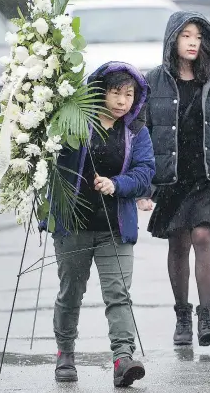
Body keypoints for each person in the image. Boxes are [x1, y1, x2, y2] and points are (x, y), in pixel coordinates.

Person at [46, 62, 155, 387]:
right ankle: (65, 353)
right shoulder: (75, 124)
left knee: (118, 294)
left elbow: (146, 171)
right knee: (71, 293)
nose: (122, 101)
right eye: (115, 93)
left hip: (116, 228)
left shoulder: (137, 132)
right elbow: (56, 160)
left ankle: (123, 359)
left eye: (129, 94)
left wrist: (117, 184)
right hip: (74, 225)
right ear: (100, 92)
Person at [137, 11, 210, 347]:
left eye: (199, 37)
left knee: (204, 235)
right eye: (186, 35)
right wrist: (144, 187)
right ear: (172, 39)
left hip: (207, 175)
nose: (193, 42)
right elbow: (140, 134)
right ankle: (182, 316)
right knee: (179, 242)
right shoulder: (151, 82)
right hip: (171, 178)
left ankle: (206, 317)